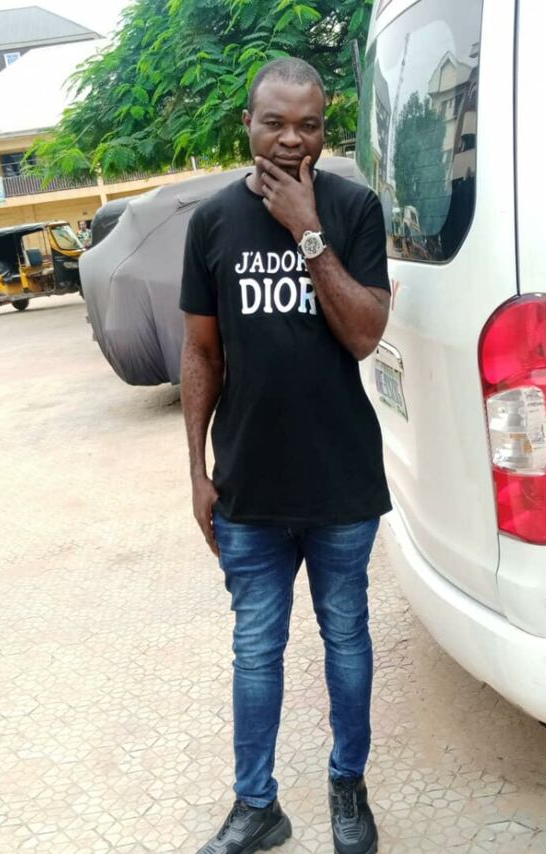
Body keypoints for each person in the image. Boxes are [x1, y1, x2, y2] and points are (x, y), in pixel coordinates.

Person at [180, 57, 391, 854]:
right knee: (255, 652)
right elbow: (201, 353)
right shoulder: (212, 223)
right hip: (249, 488)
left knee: (347, 641)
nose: (291, 138)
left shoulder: (354, 209)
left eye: (308, 124)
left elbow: (365, 334)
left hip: (341, 484)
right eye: (275, 122)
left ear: (324, 129)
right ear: (248, 124)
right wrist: (196, 472)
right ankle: (256, 806)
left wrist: (308, 231)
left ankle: (348, 787)